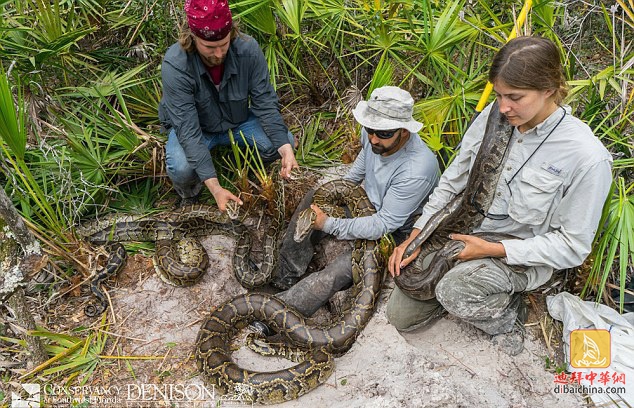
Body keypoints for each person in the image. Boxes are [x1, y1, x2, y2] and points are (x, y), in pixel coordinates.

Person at [387, 36, 613, 356]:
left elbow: (572, 248)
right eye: (499, 95)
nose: (503, 106)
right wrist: (418, 235)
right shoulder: (496, 117)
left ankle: (508, 315)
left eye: (515, 97)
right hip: (461, 234)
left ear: (549, 89)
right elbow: (453, 181)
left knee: (455, 290)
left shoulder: (585, 157)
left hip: (518, 254)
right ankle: (464, 285)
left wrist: (489, 249)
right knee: (401, 316)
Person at [251, 86, 440, 335]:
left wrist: (328, 224)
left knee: (336, 273)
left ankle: (275, 316)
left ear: (404, 131)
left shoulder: (417, 168)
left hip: (394, 235)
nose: (373, 138)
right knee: (313, 200)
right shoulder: (375, 139)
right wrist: (332, 197)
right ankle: (284, 276)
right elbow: (357, 172)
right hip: (366, 206)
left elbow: (383, 225)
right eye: (370, 129)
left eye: (382, 132)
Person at [158, 0, 299, 211]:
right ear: (192, 37)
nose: (218, 54)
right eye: (209, 47)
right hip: (198, 130)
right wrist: (215, 188)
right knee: (181, 168)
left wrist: (287, 150)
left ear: (231, 33)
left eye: (223, 45)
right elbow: (188, 132)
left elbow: (265, 104)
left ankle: (249, 171)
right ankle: (191, 194)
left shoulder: (248, 50)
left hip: (237, 121)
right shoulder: (175, 65)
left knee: (283, 141)